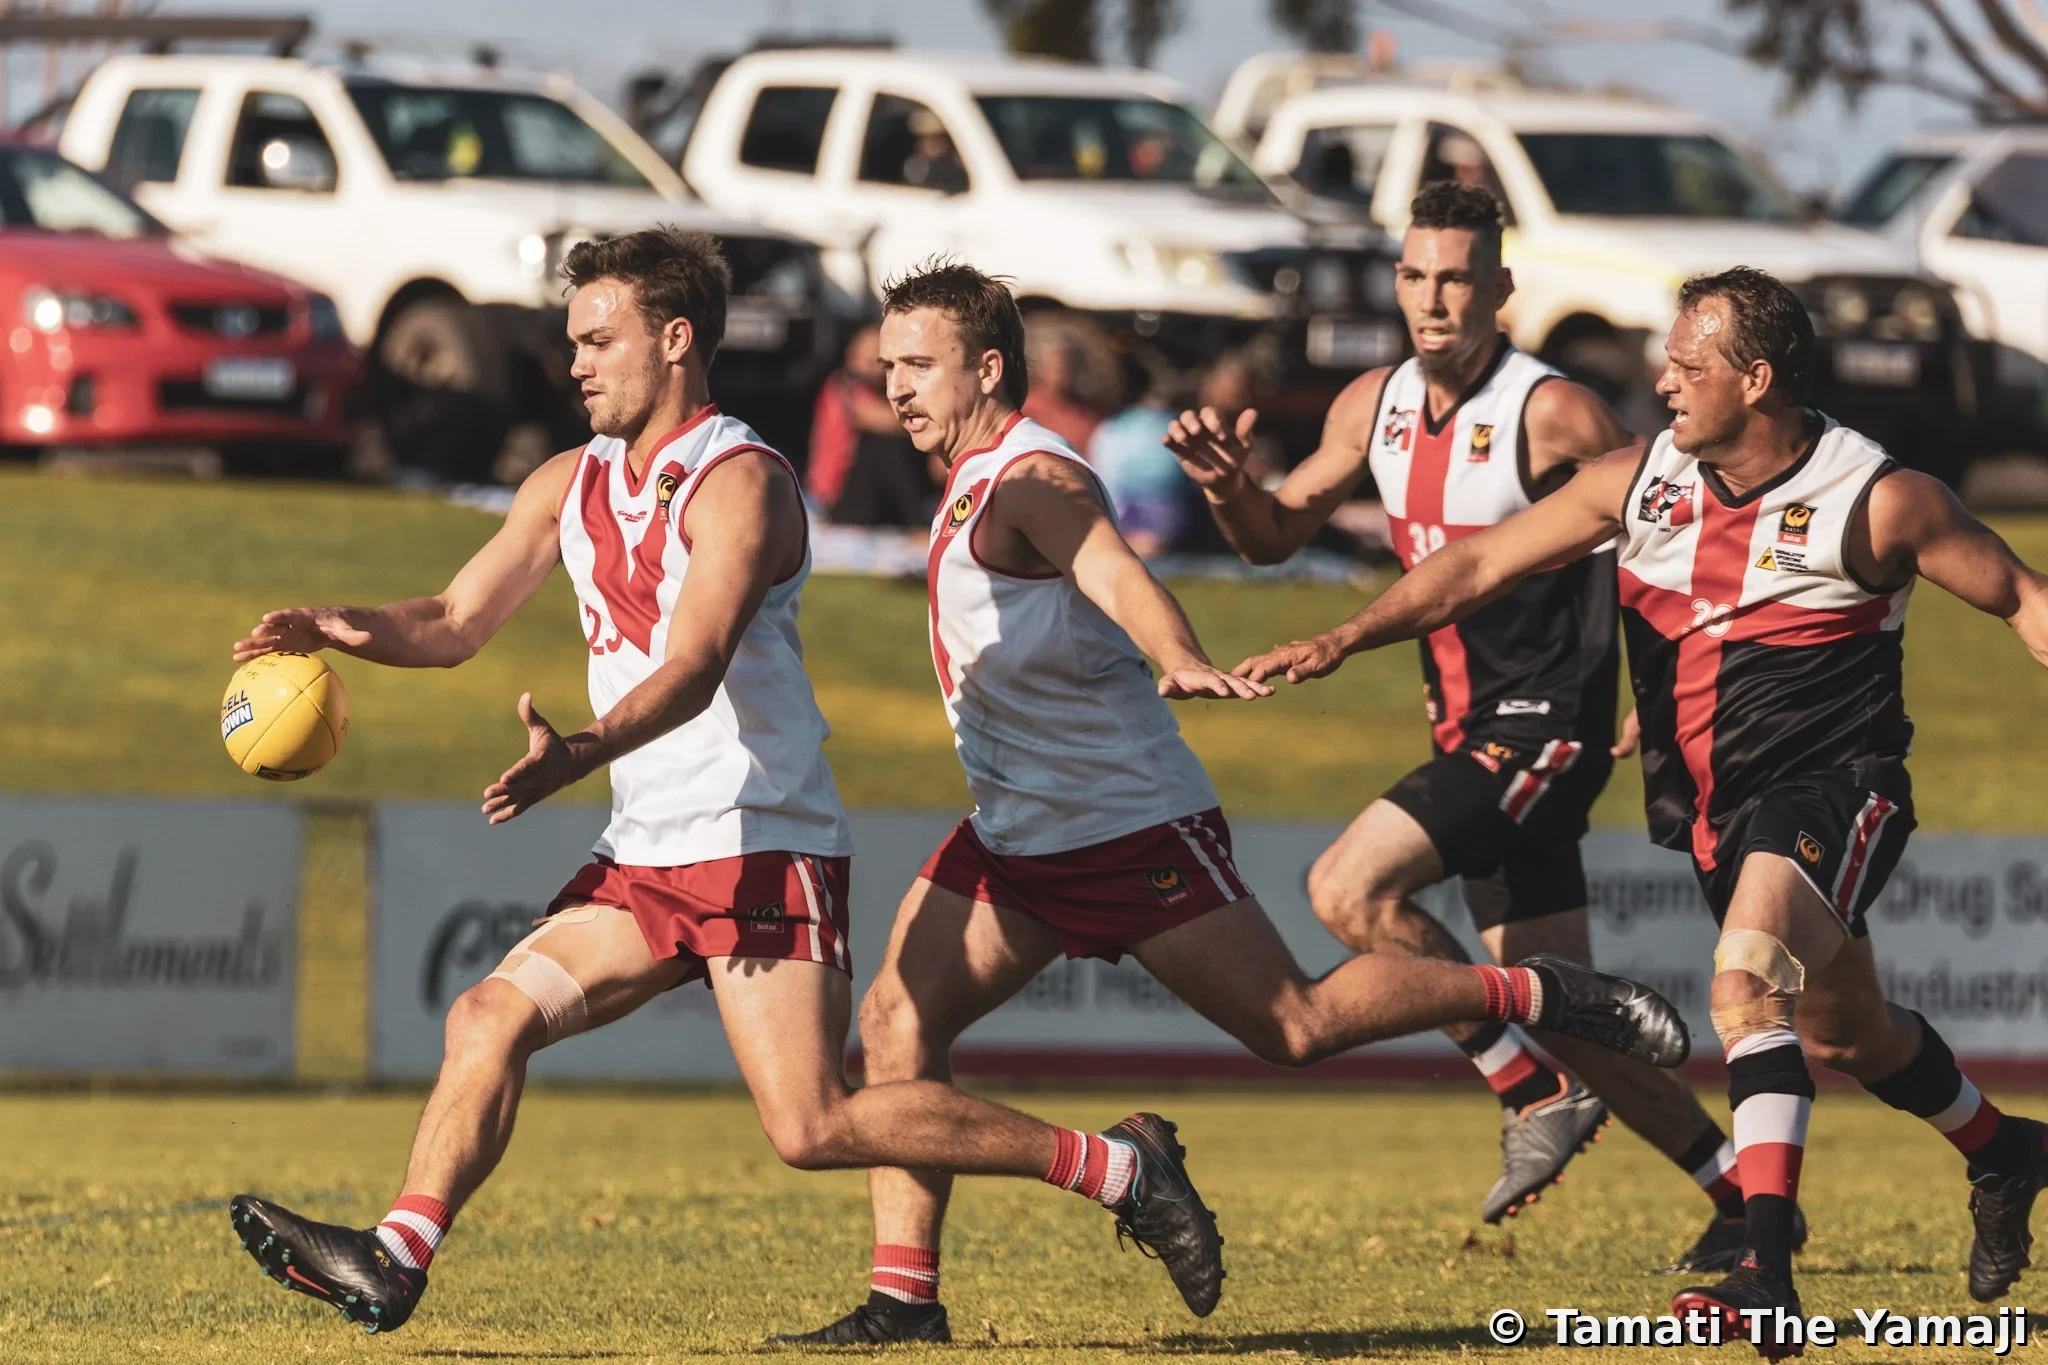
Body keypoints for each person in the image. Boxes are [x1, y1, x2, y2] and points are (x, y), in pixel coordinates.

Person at [224, 227, 1238, 1337]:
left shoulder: (739, 480)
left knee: (810, 1125)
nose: (574, 364)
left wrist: (582, 749)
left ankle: (1116, 1169)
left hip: (758, 838)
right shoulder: (568, 481)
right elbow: (455, 621)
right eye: (571, 341)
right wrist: (338, 626)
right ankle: (395, 1256)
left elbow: (695, 664)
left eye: (597, 340)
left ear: (673, 341)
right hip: (647, 847)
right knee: (486, 1015)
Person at [776, 258, 1691, 1346]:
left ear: (986, 367)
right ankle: (903, 1301)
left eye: (918, 366)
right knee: (896, 1022)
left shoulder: (1031, 475)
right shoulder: (970, 476)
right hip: (1017, 833)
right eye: (887, 367)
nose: (898, 388)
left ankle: (1541, 995)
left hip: (1124, 826)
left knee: (1292, 1025)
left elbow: (1113, 567)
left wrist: (1175, 652)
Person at [1235, 264, 2048, 1355]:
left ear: (1754, 379)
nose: (1658, 380)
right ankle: (2001, 1152)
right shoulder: (1641, 481)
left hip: (1836, 789)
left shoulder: (1878, 498)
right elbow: (1476, 563)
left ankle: (1762, 1270)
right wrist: (1345, 636)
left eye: (1684, 362)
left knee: (1741, 985)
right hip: (1715, 810)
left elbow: (2022, 600)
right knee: (1845, 1033)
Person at [1166, 181, 1779, 1270]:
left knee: (1345, 890)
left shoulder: (1554, 412)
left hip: (1546, 724)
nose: (1431, 298)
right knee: (1565, 1004)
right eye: (1414, 275)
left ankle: (1524, 1086)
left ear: (1500, 288)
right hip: (1469, 732)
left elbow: (1677, 537)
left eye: (1455, 277)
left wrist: (1658, 688)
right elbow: (1269, 535)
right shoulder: (1373, 402)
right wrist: (1225, 489)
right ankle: (1737, 1199)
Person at [808, 324, 936, 528]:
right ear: (852, 356)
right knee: (885, 444)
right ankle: (917, 522)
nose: (873, 367)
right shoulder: (845, 387)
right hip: (839, 496)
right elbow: (886, 421)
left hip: (871, 497)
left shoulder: (877, 389)